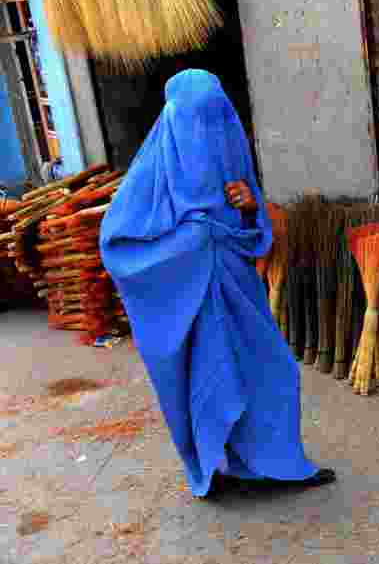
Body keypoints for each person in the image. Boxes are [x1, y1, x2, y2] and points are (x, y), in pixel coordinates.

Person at [99, 69, 335, 499]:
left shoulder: (231, 157)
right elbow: (116, 243)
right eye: (192, 120)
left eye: (213, 117)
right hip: (186, 304)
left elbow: (252, 231)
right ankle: (214, 468)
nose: (204, 131)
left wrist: (250, 207)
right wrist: (190, 242)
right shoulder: (153, 170)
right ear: (172, 120)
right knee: (207, 381)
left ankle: (275, 463)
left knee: (273, 372)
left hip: (238, 291)